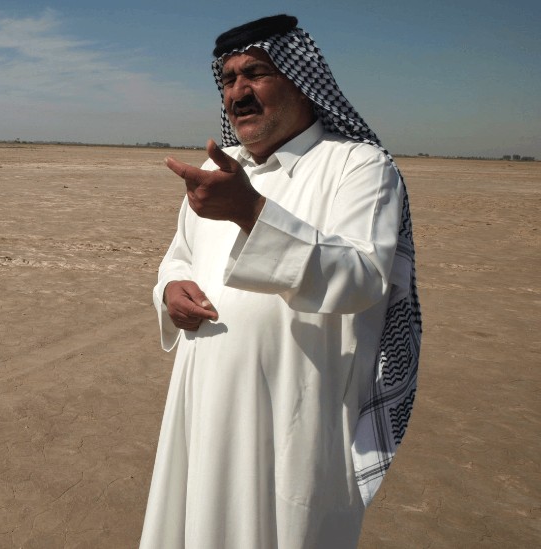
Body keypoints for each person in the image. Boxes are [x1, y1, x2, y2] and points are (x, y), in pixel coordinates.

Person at [140, 15, 421, 548]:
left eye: (256, 73)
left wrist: (251, 211)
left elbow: (363, 278)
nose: (238, 92)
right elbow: (179, 257)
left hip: (298, 417)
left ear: (300, 78)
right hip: (202, 406)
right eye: (227, 80)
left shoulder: (358, 166)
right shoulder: (218, 170)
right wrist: (169, 292)